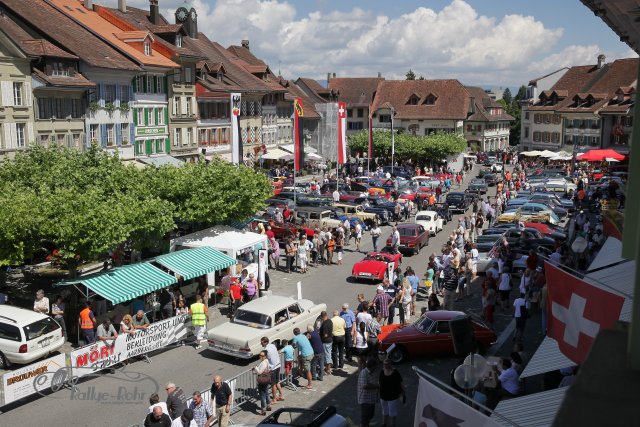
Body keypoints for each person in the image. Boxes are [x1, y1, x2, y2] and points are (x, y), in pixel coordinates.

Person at [379, 358, 405, 427]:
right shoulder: (382, 371)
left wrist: (403, 393)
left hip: (392, 396)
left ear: (390, 364)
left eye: (387, 364)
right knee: (384, 410)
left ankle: (392, 425)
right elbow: (379, 382)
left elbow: (401, 383)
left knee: (392, 412)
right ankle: (384, 424)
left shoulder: (395, 372)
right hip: (383, 395)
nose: (385, 365)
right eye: (384, 364)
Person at [261, 337, 284, 403]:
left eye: (262, 342)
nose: (261, 344)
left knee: (273, 384)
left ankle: (274, 399)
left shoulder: (266, 350)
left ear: (265, 342)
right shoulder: (272, 345)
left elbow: (265, 360)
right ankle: (281, 395)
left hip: (273, 368)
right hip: (278, 365)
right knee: (277, 381)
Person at [358, 358, 379, 427]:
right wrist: (377, 386)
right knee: (365, 418)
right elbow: (365, 386)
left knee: (370, 415)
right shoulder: (364, 373)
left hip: (372, 399)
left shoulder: (373, 372)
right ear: (372, 367)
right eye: (375, 367)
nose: (376, 368)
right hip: (365, 400)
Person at [319, 311, 333, 375]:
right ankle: (328, 368)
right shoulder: (330, 321)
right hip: (330, 340)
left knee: (327, 356)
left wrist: (321, 338)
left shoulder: (324, 324)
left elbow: (325, 335)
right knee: (328, 354)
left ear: (322, 317)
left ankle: (328, 369)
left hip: (326, 341)